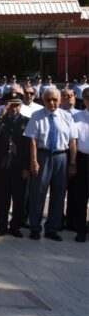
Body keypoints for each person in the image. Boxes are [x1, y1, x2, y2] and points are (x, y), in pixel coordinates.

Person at [24, 88, 78, 241]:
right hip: (43, 156)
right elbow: (33, 140)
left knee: (59, 194)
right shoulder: (37, 116)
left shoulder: (67, 116)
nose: (52, 103)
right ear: (43, 101)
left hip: (61, 157)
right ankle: (35, 227)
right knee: (38, 193)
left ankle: (52, 228)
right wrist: (34, 161)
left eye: (55, 100)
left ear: (60, 101)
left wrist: (73, 163)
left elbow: (72, 141)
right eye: (48, 100)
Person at [0, 92, 31, 237]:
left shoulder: (27, 122)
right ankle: (2, 226)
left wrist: (27, 167)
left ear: (21, 106)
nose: (13, 108)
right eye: (11, 105)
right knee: (2, 198)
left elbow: (29, 147)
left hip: (19, 166)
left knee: (19, 199)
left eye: (16, 105)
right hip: (2, 165)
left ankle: (15, 227)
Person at [67, 87, 88, 242]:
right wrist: (73, 163)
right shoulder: (77, 116)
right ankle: (81, 230)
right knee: (81, 197)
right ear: (83, 99)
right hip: (83, 160)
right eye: (86, 97)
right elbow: (73, 141)